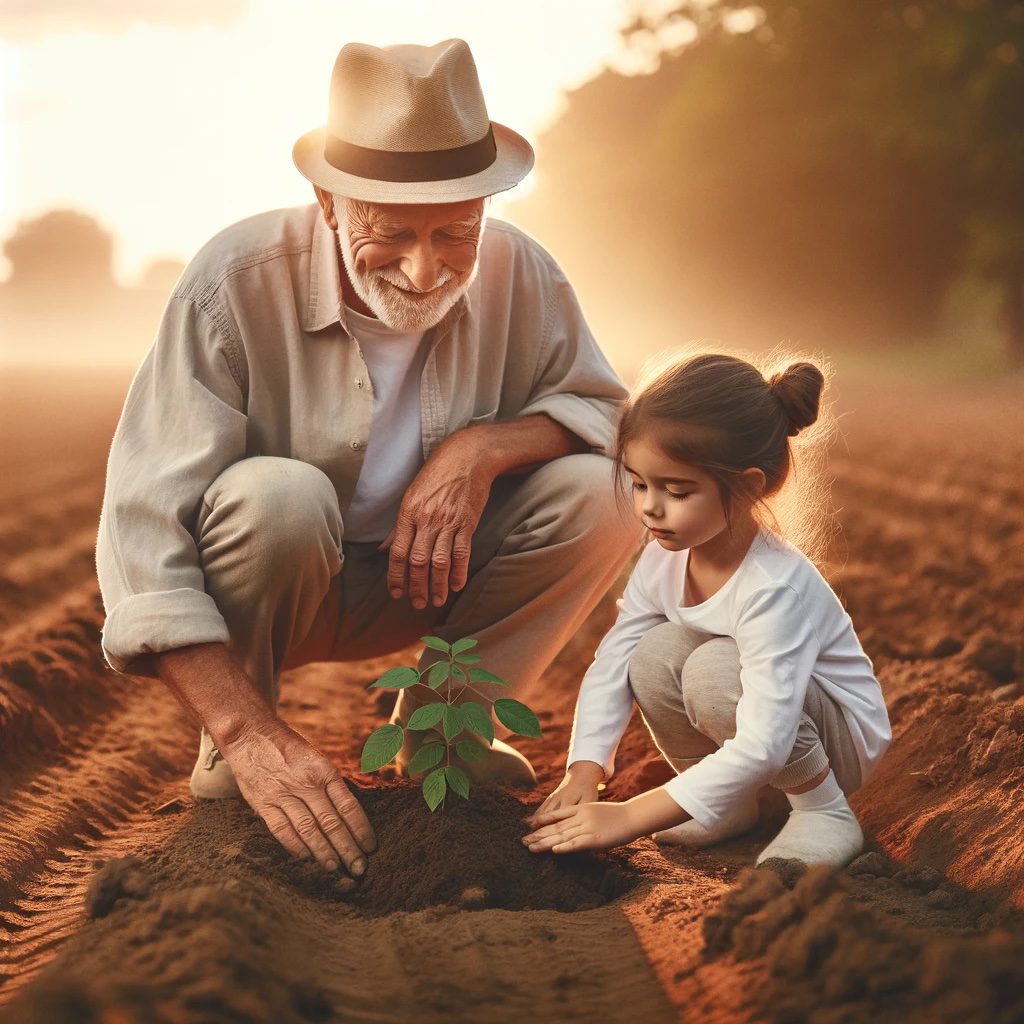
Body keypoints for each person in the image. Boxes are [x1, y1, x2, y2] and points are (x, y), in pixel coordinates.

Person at [94, 39, 641, 881]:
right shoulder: (231, 282)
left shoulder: (522, 273)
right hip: (277, 588)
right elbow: (141, 537)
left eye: (457, 232)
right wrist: (245, 731)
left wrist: (482, 449)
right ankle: (238, 743)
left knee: (610, 491)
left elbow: (608, 415)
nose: (427, 270)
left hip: (433, 576)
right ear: (327, 200)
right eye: (391, 233)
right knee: (278, 496)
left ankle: (443, 731)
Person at [523, 352, 892, 868]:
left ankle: (823, 810)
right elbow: (613, 661)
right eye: (639, 483)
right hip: (755, 718)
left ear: (748, 487)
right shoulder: (661, 559)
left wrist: (630, 816)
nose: (650, 507)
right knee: (650, 654)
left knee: (713, 670)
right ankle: (726, 805)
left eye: (676, 491)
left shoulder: (771, 587)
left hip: (835, 742)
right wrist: (585, 769)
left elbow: (765, 741)